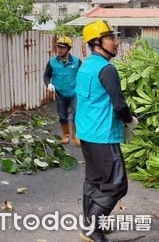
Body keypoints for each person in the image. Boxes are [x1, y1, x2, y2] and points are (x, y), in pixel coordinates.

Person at [75, 20, 138, 242]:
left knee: (94, 179)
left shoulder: (86, 66)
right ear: (97, 42)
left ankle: (91, 224)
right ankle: (92, 228)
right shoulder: (107, 69)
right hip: (103, 136)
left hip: (87, 133)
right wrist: (130, 121)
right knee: (116, 185)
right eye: (111, 38)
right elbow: (119, 104)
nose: (116, 42)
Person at [43, 36, 81, 146]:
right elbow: (46, 75)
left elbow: (84, 75)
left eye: (62, 48)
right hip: (60, 94)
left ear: (68, 49)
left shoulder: (77, 62)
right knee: (62, 116)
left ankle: (76, 136)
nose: (59, 50)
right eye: (58, 47)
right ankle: (66, 135)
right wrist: (48, 84)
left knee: (77, 113)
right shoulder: (52, 62)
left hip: (74, 93)